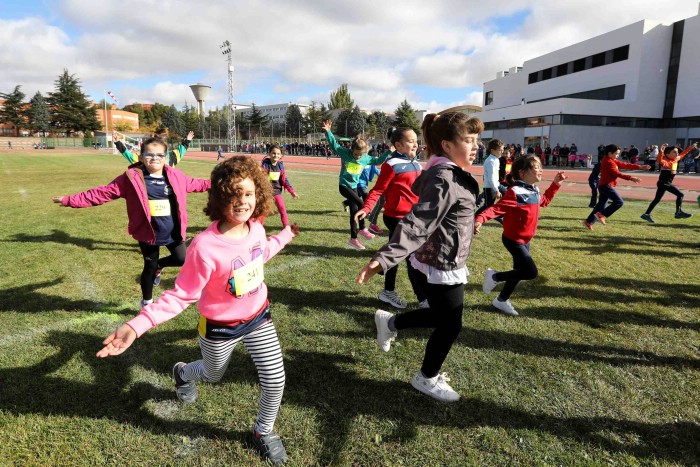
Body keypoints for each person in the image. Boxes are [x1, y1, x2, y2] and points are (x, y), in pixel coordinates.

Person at [96, 156, 299, 465]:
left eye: (247, 193)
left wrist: (284, 236)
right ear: (219, 199)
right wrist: (137, 325)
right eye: (232, 195)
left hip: (259, 317)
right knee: (213, 373)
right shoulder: (204, 247)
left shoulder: (256, 227)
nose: (241, 202)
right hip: (219, 327)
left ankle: (263, 431)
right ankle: (182, 372)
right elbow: (180, 295)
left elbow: (261, 252)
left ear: (258, 194)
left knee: (275, 377)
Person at [356, 112, 483, 403]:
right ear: (447, 145)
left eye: (477, 140)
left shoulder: (445, 170)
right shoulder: (444, 177)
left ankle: (389, 324)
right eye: (469, 140)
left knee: (441, 315)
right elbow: (418, 223)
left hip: (440, 257)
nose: (476, 146)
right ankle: (426, 377)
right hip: (441, 261)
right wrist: (383, 259)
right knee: (450, 323)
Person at [52, 137, 211, 308]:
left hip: (173, 231)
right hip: (148, 233)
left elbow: (198, 184)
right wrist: (70, 200)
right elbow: (102, 193)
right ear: (141, 157)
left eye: (159, 155)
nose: (154, 158)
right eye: (149, 154)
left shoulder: (176, 176)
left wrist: (219, 183)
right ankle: (147, 302)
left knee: (182, 259)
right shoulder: (131, 179)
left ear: (166, 158)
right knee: (148, 268)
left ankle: (160, 265)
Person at [475, 156, 567, 316]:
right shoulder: (515, 192)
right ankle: (495, 276)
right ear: (522, 173)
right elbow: (496, 208)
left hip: (525, 240)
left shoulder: (533, 190)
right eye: (536, 167)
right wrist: (480, 218)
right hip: (513, 240)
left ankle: (501, 300)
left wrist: (555, 184)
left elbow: (544, 201)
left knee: (518, 271)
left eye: (540, 167)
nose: (541, 170)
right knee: (531, 272)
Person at [355, 127, 426, 310]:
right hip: (396, 218)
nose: (415, 143)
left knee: (400, 256)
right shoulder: (391, 164)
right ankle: (422, 299)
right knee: (411, 258)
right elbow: (378, 189)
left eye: (415, 139)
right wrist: (367, 207)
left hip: (414, 218)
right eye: (410, 140)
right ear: (398, 145)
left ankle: (390, 291)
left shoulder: (416, 164)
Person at [323, 119, 390, 250]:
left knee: (355, 212)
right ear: (351, 150)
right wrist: (328, 132)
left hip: (354, 187)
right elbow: (333, 144)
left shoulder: (365, 158)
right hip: (344, 186)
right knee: (361, 204)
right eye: (355, 154)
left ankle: (353, 238)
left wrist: (389, 152)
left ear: (364, 153)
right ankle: (364, 228)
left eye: (360, 155)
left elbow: (378, 161)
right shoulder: (345, 153)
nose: (357, 157)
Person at [583, 144, 651, 230]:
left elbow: (625, 165)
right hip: (606, 186)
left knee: (600, 206)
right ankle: (601, 215)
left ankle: (588, 222)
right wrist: (630, 178)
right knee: (619, 202)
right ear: (609, 153)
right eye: (616, 153)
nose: (617, 155)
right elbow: (616, 173)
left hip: (604, 185)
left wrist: (640, 166)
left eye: (618, 154)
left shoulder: (612, 160)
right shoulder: (608, 161)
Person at [641, 145, 693, 223]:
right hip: (664, 183)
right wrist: (661, 152)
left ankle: (646, 214)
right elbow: (659, 160)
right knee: (680, 194)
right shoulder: (665, 161)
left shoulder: (676, 159)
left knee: (657, 200)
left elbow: (683, 153)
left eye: (677, 152)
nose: (677, 153)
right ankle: (678, 213)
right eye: (674, 152)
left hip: (664, 183)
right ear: (668, 154)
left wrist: (690, 148)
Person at [113, 128, 194, 167]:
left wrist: (117, 143)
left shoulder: (146, 157)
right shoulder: (173, 156)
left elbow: (128, 155)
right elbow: (182, 149)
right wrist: (187, 140)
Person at [261, 144, 298, 227]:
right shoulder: (265, 165)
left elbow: (284, 180)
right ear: (269, 154)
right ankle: (259, 229)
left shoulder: (280, 166)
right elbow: (260, 178)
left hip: (277, 192)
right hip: (266, 193)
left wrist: (292, 192)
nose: (276, 155)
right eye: (273, 153)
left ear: (281, 155)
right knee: (263, 211)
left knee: (282, 209)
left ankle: (286, 227)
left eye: (278, 154)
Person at [476, 139, 504, 216]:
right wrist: (496, 190)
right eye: (500, 150)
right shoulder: (491, 161)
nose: (502, 152)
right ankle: (473, 219)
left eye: (502, 150)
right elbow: (491, 178)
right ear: (492, 150)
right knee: (488, 206)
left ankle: (502, 215)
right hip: (490, 187)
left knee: (510, 196)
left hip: (497, 185)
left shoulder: (496, 159)